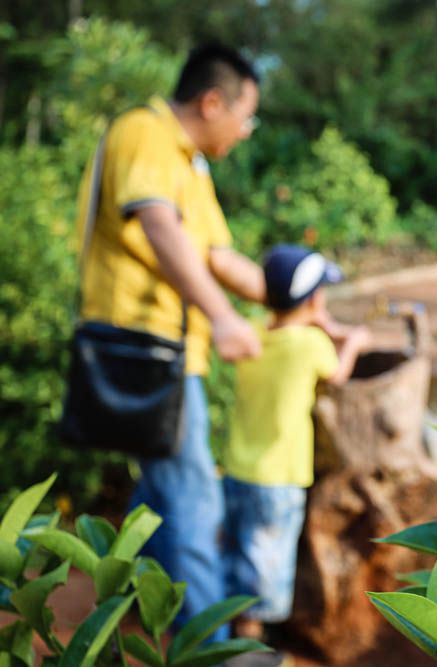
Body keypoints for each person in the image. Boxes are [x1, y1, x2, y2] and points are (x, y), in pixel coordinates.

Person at [75, 44, 264, 641]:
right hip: (147, 354)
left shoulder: (190, 163)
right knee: (193, 504)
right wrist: (225, 319)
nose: (246, 130)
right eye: (246, 116)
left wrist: (301, 304)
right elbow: (158, 225)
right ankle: (212, 649)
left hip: (172, 355)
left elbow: (220, 257)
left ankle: (131, 612)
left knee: (159, 497)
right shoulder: (144, 131)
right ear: (213, 103)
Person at [221, 245, 370, 665]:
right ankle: (252, 650)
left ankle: (235, 636)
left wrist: (316, 320)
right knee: (266, 563)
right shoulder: (309, 345)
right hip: (280, 475)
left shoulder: (253, 333)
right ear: (314, 300)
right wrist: (353, 340)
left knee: (240, 551)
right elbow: (338, 373)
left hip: (238, 466)